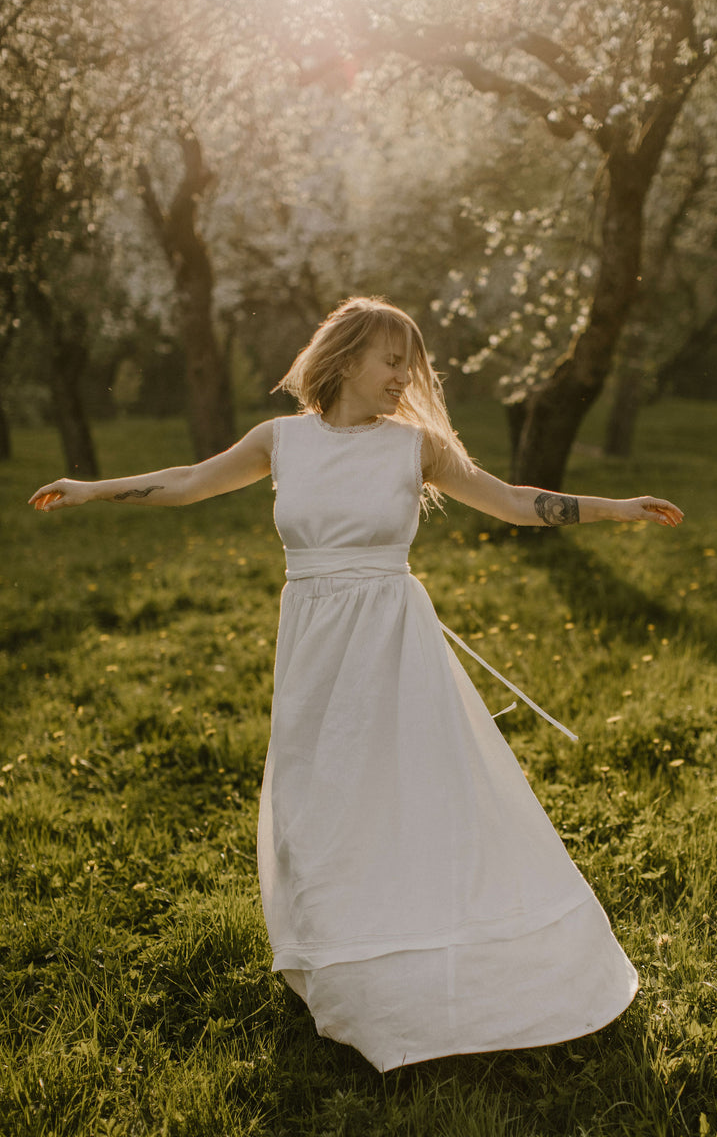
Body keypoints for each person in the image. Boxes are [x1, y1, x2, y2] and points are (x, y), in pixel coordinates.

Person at [30, 296, 683, 1071]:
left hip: (392, 642)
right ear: (343, 359)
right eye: (391, 359)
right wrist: (92, 489)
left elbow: (510, 501)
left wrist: (617, 509)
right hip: (312, 644)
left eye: (410, 361)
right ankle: (342, 949)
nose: (404, 375)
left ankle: (447, 947)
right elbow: (189, 482)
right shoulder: (281, 440)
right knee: (318, 799)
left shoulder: (415, 448)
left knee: (411, 794)